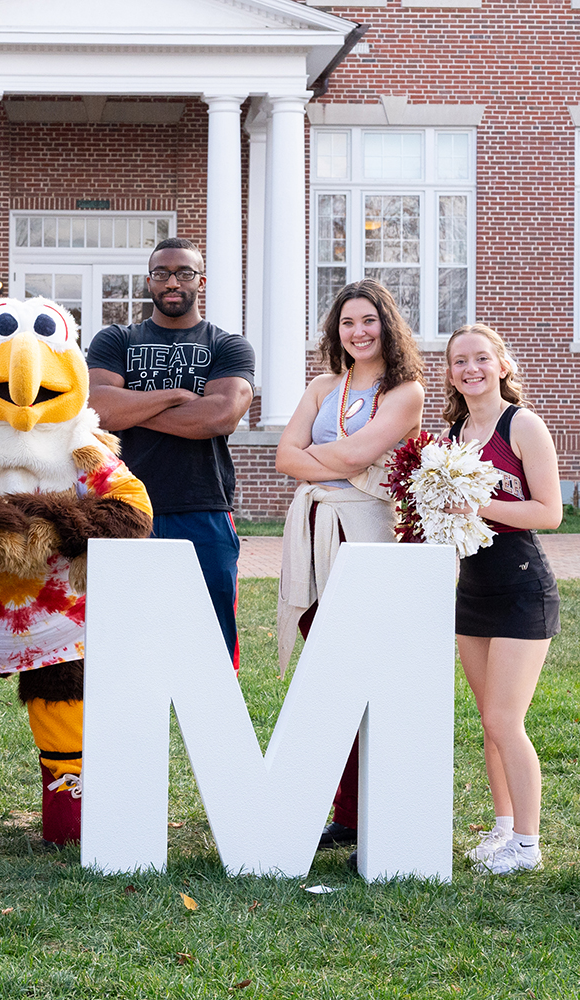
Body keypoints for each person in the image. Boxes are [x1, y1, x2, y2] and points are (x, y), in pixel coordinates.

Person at [275, 278, 424, 852]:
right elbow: (283, 456)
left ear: (387, 325)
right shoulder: (322, 386)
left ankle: (366, 808)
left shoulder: (403, 391)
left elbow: (361, 455)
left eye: (369, 321)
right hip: (311, 529)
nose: (358, 332)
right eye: (346, 323)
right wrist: (323, 462)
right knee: (325, 671)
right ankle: (338, 805)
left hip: (366, 533)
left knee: (362, 666)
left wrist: (313, 458)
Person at [85, 238, 255, 670]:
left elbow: (219, 416)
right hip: (123, 505)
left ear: (201, 280)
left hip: (203, 506)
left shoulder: (228, 346)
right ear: (149, 281)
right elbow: (96, 407)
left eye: (183, 273)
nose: (172, 282)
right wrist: (179, 396)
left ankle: (216, 730)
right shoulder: (116, 339)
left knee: (213, 641)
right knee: (123, 641)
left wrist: (132, 406)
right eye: (161, 273)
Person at [444, 324, 561, 875]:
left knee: (504, 718)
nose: (471, 368)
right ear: (449, 373)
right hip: (473, 587)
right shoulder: (454, 431)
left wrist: (476, 508)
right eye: (459, 361)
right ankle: (502, 828)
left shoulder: (524, 425)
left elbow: (548, 513)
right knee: (488, 720)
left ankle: (529, 844)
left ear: (502, 365)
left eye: (481, 358)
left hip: (520, 585)